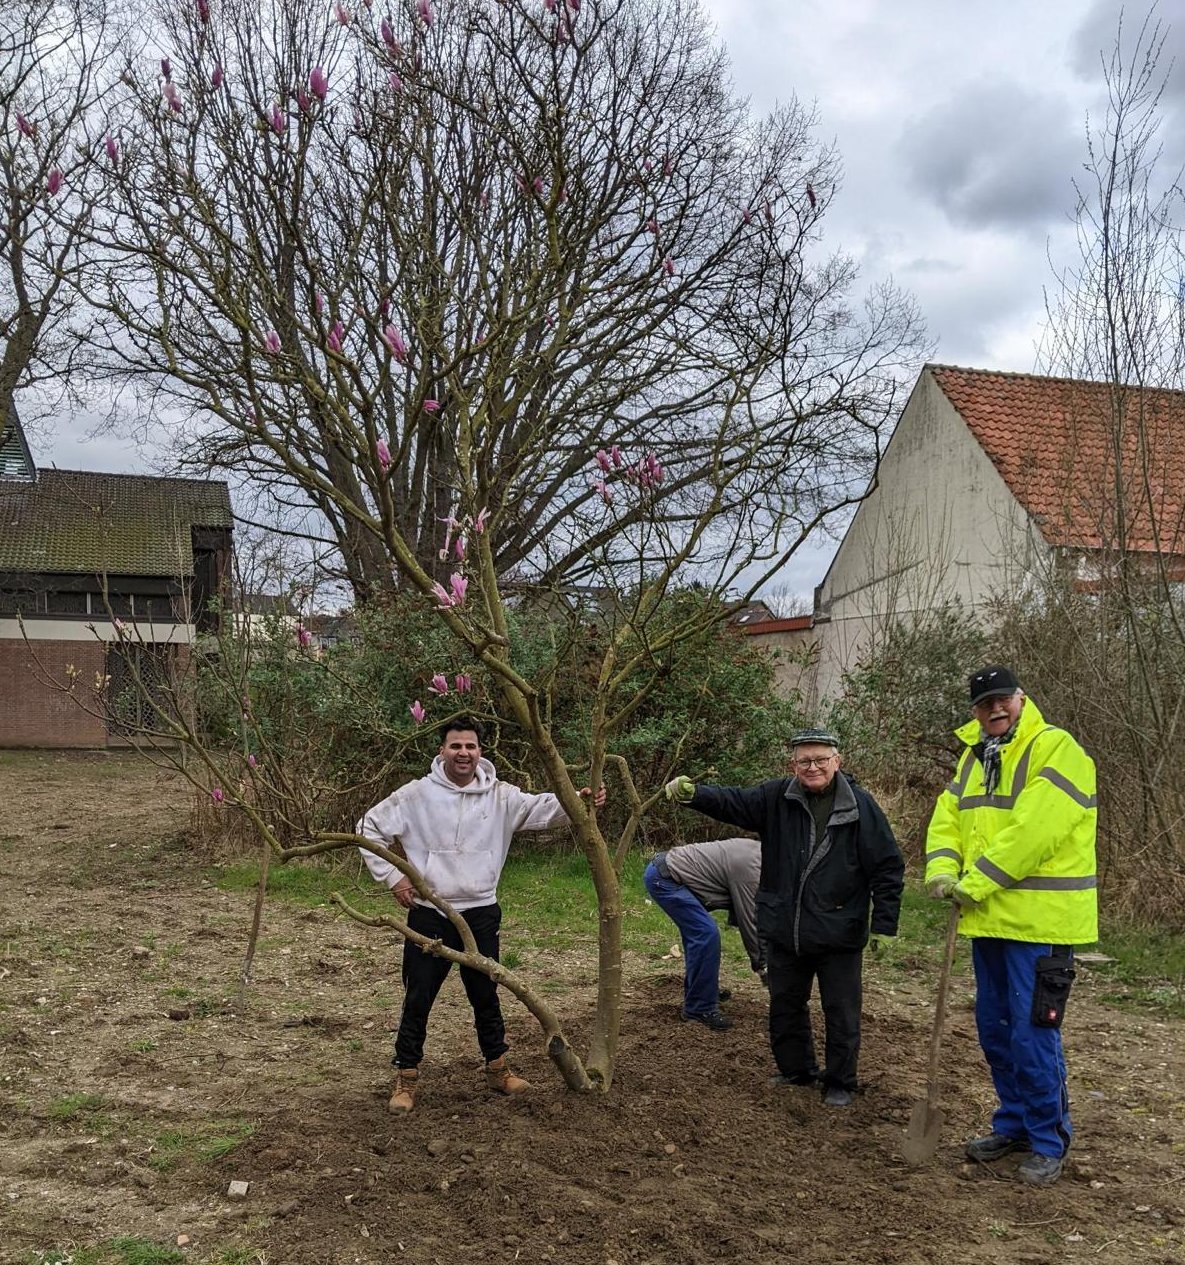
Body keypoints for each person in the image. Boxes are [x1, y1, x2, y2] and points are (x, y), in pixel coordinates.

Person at [358, 715, 606, 1115]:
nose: (463, 753)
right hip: (431, 914)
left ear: (480, 752)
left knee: (486, 995)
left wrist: (580, 799)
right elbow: (368, 828)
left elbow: (544, 808)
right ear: (442, 750)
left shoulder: (501, 796)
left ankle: (498, 1069)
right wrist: (393, 877)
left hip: (481, 914)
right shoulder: (415, 796)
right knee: (419, 997)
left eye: (470, 746)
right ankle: (406, 1077)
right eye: (455, 746)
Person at [665, 730, 904, 1106]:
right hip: (784, 927)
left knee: (840, 1010)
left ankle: (840, 1081)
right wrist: (696, 795)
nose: (812, 767)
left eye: (820, 760)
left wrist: (885, 924)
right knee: (786, 1004)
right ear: (793, 766)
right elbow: (735, 802)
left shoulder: (860, 806)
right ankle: (797, 1071)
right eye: (804, 761)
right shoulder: (777, 797)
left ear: (836, 762)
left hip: (838, 929)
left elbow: (887, 866)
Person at [925, 666, 1097, 1188]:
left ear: (1021, 698)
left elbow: (1035, 831)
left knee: (1032, 1033)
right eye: (984, 704)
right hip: (989, 921)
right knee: (994, 1028)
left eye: (1003, 699)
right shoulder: (974, 757)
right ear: (975, 711)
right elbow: (948, 816)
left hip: (1039, 924)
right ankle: (1015, 1124)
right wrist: (941, 869)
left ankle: (1049, 1139)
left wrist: (974, 882)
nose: (994, 709)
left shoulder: (1056, 748)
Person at [643, 837, 765, 1031]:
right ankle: (699, 1008)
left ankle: (703, 991)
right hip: (665, 878)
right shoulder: (753, 867)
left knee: (700, 936)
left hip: (672, 872)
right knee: (705, 935)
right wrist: (763, 965)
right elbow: (750, 919)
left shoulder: (758, 853)